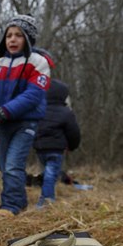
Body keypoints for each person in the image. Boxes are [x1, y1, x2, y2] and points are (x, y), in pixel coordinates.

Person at [0, 14, 52, 215]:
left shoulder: (38, 62)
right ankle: (20, 203)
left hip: (25, 123)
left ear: (28, 38)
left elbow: (33, 94)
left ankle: (9, 206)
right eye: (9, 35)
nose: (12, 39)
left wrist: (5, 111)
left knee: (13, 165)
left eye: (18, 35)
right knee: (4, 166)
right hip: (3, 123)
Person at [33, 79, 80, 208]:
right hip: (56, 149)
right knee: (50, 174)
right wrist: (72, 145)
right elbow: (74, 132)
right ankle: (46, 201)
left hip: (40, 149)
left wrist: (35, 143)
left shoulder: (38, 111)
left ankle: (47, 197)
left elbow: (33, 128)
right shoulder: (66, 112)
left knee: (48, 173)